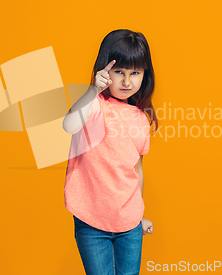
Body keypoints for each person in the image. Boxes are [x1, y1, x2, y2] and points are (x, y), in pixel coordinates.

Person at [62, 29, 159, 274]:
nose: (127, 82)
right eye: (119, 72)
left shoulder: (140, 118)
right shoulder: (94, 106)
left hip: (130, 224)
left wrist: (140, 216)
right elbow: (69, 124)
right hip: (92, 222)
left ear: (145, 74)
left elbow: (136, 170)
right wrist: (93, 90)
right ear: (105, 71)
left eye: (135, 73)